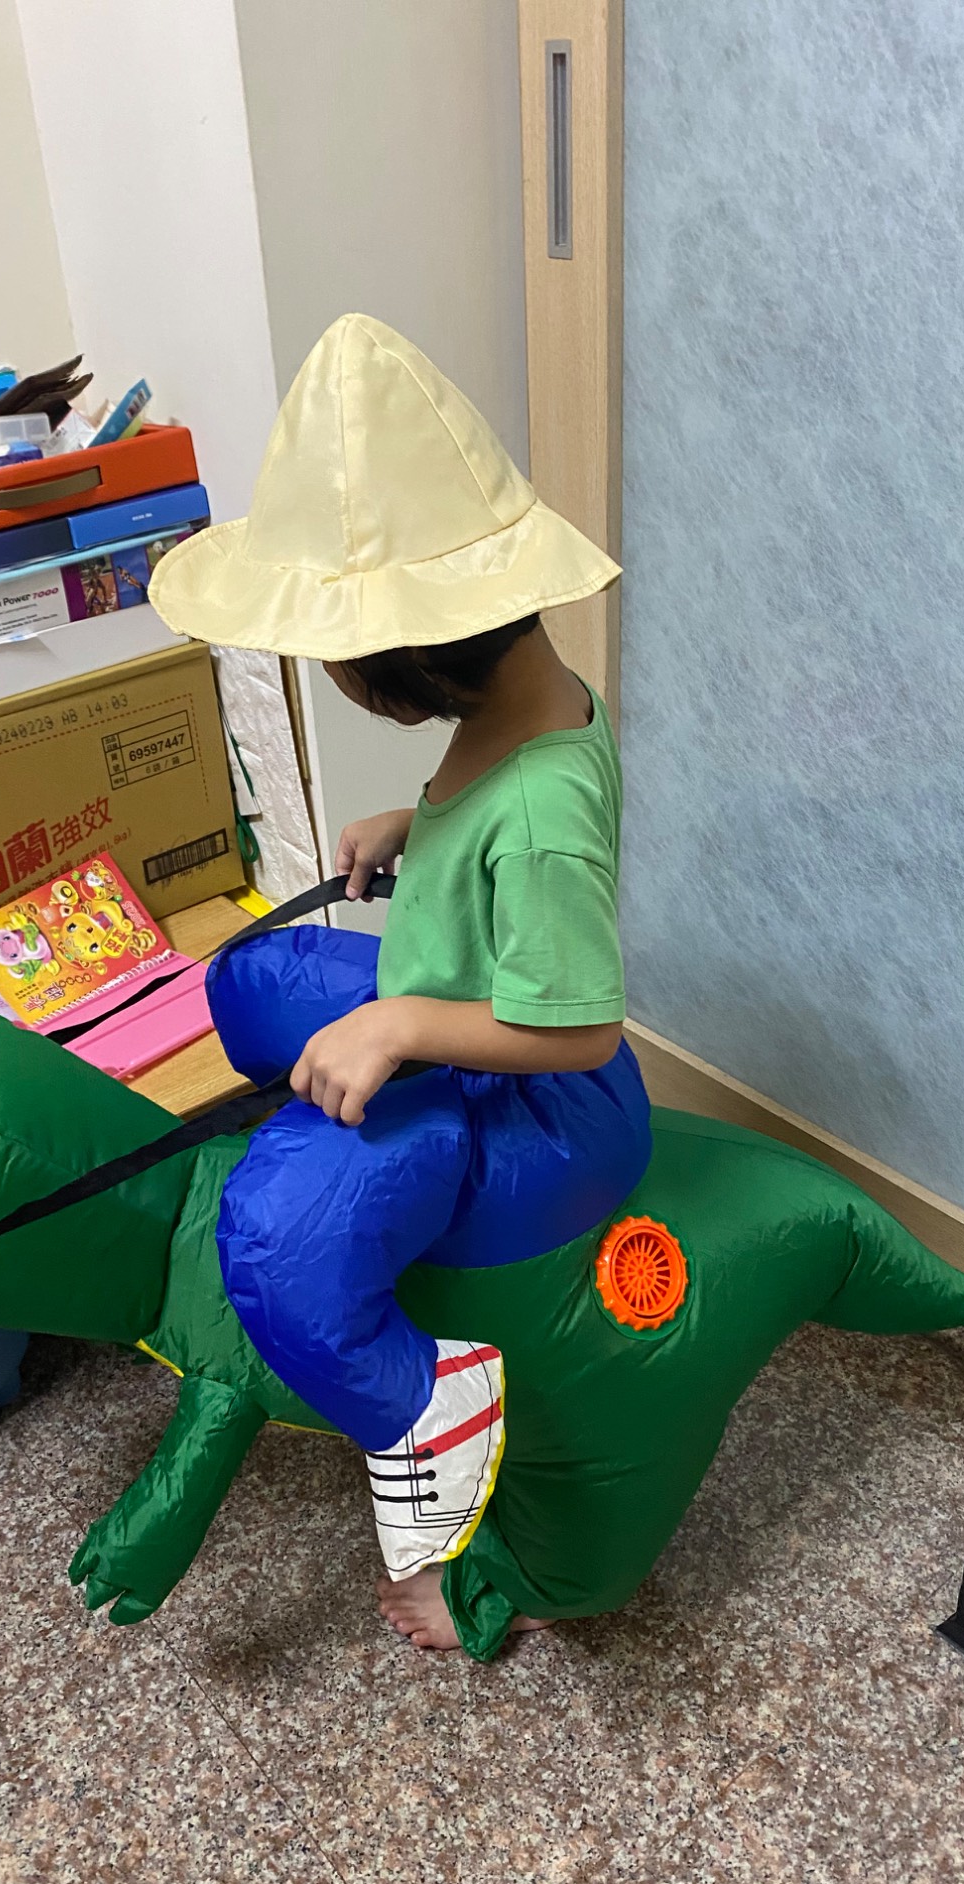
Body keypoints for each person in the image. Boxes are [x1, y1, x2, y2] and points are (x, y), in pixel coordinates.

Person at [150, 314, 650, 1648]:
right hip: (450, 1013)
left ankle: (429, 1417)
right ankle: (351, 1101)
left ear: (412, 661)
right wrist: (412, 832)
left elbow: (582, 1029)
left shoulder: (542, 815)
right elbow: (485, 820)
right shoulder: (525, 698)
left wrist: (405, 1021)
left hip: (537, 1102)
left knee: (278, 1253)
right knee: (249, 979)